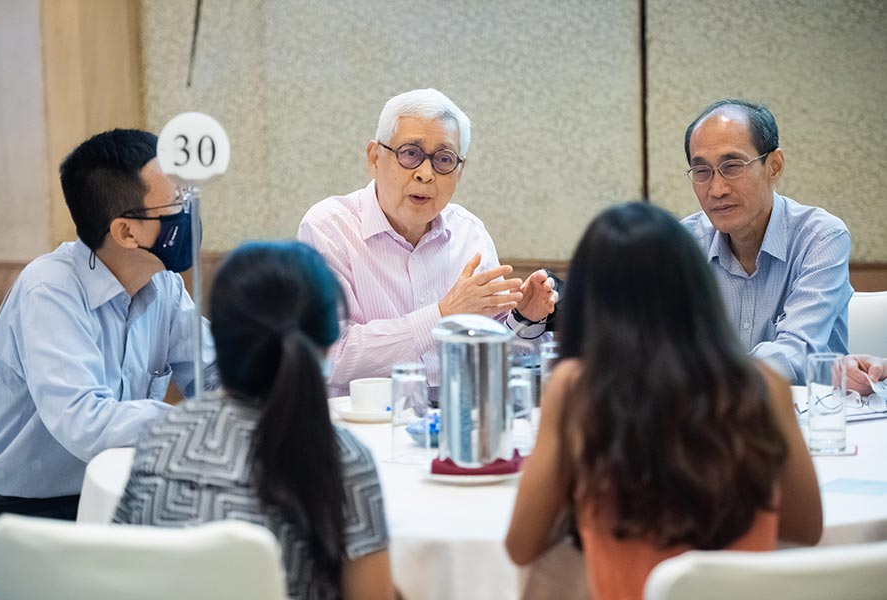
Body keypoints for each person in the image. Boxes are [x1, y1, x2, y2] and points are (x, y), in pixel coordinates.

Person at [505, 203, 821, 600]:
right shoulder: (763, 385)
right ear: (698, 288)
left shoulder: (576, 391)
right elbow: (806, 529)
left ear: (589, 301)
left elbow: (521, 546)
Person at [114, 241, 396, 600]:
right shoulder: (341, 461)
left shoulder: (161, 436)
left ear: (218, 334)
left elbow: (120, 569)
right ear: (326, 343)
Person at [0, 129, 216, 519]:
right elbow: (84, 422)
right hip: (24, 507)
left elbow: (211, 371)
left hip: (116, 484)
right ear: (126, 232)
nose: (188, 212)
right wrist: (192, 422)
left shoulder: (163, 283)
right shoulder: (49, 292)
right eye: (176, 203)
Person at [298, 88, 557, 394]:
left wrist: (525, 319)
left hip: (458, 421)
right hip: (363, 430)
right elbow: (329, 358)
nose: (425, 174)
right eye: (410, 153)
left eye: (444, 159)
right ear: (375, 158)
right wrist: (442, 315)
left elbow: (496, 358)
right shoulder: (329, 228)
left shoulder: (469, 234)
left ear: (459, 172)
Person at [680, 99, 852, 384]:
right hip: (710, 422)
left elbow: (796, 352)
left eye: (732, 166)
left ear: (774, 166)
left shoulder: (821, 238)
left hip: (805, 420)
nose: (717, 189)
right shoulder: (684, 245)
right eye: (702, 172)